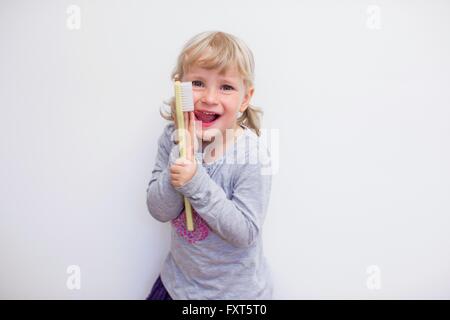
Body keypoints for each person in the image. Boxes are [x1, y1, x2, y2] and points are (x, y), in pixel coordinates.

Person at [146, 30, 273, 300]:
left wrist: (195, 181)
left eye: (226, 87)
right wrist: (182, 154)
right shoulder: (172, 138)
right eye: (198, 83)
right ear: (180, 88)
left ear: (245, 98)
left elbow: (245, 233)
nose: (210, 98)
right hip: (178, 286)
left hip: (234, 296)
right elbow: (159, 210)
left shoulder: (251, 155)